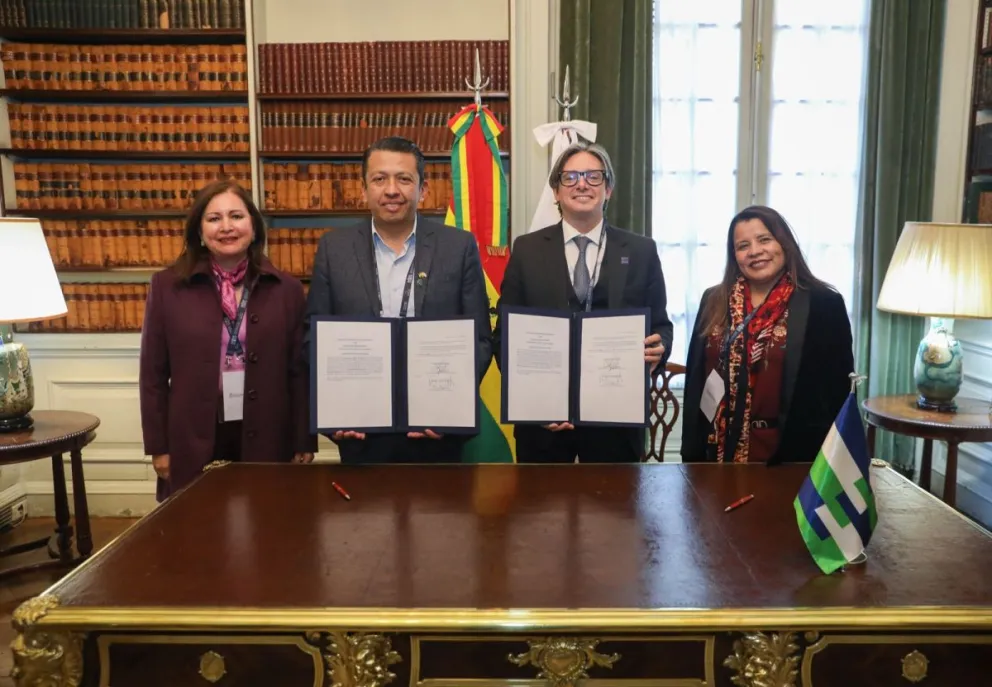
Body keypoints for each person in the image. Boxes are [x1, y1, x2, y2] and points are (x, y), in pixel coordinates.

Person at [304, 136, 491, 464]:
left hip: (437, 432)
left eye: (404, 179)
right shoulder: (334, 250)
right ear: (363, 190)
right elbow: (314, 339)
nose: (392, 190)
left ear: (423, 190)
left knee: (442, 515)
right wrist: (337, 411)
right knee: (363, 515)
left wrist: (448, 407)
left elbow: (479, 339)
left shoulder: (458, 247)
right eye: (379, 179)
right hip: (361, 430)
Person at [492, 141, 674, 463]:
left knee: (614, 511)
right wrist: (533, 402)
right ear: (556, 191)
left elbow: (661, 325)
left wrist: (659, 349)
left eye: (593, 176)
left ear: (608, 190)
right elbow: (504, 334)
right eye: (571, 177)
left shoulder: (641, 250)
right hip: (543, 423)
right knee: (540, 511)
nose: (582, 184)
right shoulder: (527, 250)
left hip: (615, 422)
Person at [140, 180, 315, 502]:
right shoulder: (167, 287)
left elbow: (299, 371)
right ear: (199, 231)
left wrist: (304, 439)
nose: (226, 227)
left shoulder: (287, 290)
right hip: (192, 432)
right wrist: (159, 447)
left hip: (268, 430)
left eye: (236, 216)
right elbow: (152, 375)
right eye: (214, 218)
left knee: (267, 522)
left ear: (253, 225)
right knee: (197, 528)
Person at [681, 205, 854, 464]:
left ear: (784, 243)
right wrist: (691, 455)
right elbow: (696, 382)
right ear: (734, 255)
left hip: (793, 455)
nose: (755, 251)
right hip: (717, 452)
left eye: (764, 239)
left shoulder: (823, 303)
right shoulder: (713, 300)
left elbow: (837, 393)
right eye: (743, 245)